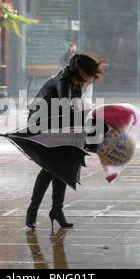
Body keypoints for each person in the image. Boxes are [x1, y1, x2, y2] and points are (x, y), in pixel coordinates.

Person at [26, 53, 106, 229]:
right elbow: (66, 109)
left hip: (58, 122)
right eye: (90, 74)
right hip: (43, 124)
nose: (91, 78)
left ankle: (56, 210)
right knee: (51, 167)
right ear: (81, 71)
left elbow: (75, 110)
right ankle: (34, 210)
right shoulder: (63, 82)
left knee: (62, 165)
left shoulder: (75, 82)